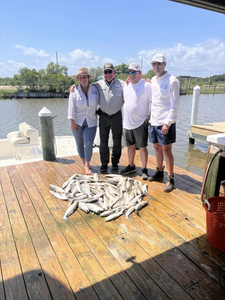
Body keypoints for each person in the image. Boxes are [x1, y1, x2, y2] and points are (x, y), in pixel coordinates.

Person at [70, 63, 124, 172]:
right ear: (103, 74)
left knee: (117, 141)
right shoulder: (97, 85)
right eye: (105, 72)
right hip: (103, 116)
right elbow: (83, 85)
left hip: (117, 116)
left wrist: (147, 81)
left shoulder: (123, 84)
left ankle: (115, 163)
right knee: (103, 141)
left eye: (110, 71)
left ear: (114, 72)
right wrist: (72, 86)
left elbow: (134, 85)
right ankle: (104, 163)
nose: (108, 74)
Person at [148, 54, 180, 192]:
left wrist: (167, 123)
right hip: (154, 121)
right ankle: (159, 171)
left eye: (158, 64)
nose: (156, 66)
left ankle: (170, 178)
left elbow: (175, 105)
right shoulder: (153, 80)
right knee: (156, 147)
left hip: (165, 122)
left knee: (167, 151)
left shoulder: (173, 80)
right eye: (154, 64)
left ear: (165, 64)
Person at [121, 63, 151, 180]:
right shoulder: (126, 85)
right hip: (127, 123)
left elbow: (154, 102)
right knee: (130, 146)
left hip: (140, 123)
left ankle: (144, 169)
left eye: (134, 72)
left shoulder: (147, 85)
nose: (132, 74)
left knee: (143, 147)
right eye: (130, 72)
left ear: (140, 73)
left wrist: (149, 117)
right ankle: (131, 165)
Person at [68, 67, 99, 175]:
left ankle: (87, 164)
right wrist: (72, 122)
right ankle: (83, 162)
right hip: (77, 122)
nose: (82, 79)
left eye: (84, 77)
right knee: (79, 143)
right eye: (80, 78)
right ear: (78, 79)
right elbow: (70, 108)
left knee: (89, 143)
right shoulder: (74, 90)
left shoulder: (95, 89)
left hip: (91, 121)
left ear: (88, 77)